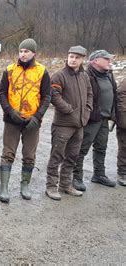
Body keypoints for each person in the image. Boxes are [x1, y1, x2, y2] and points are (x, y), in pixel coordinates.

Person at [0, 38, 51, 203]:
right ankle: (4, 188)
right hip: (12, 120)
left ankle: (25, 185)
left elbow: (47, 96)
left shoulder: (42, 71)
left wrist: (37, 117)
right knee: (8, 154)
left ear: (34, 53)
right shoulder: (9, 70)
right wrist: (10, 111)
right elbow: (2, 94)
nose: (23, 54)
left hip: (32, 122)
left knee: (29, 155)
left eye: (26, 51)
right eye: (21, 51)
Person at [45, 46, 93, 200]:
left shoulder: (84, 76)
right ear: (67, 57)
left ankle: (66, 184)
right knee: (56, 156)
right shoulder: (59, 75)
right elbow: (54, 95)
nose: (73, 59)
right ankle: (51, 187)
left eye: (77, 57)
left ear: (82, 59)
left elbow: (90, 94)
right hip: (62, 124)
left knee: (72, 156)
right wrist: (68, 110)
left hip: (79, 124)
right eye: (71, 56)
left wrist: (86, 111)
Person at [72, 50, 118, 190]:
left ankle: (99, 174)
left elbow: (114, 94)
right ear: (95, 61)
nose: (110, 61)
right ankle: (76, 177)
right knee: (81, 149)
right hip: (91, 119)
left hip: (104, 119)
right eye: (107, 59)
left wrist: (113, 114)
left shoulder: (108, 75)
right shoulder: (86, 76)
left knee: (101, 148)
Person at [116, 78, 126, 186]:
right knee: (124, 147)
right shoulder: (124, 83)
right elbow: (121, 101)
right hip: (124, 121)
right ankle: (122, 173)